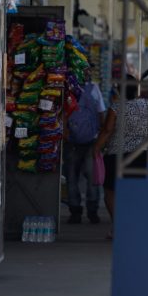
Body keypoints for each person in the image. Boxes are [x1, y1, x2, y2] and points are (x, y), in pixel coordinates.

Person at [91, 75, 148, 238]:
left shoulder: (116, 107)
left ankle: (118, 226)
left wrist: (96, 148)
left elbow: (108, 130)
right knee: (138, 192)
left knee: (111, 192)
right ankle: (136, 225)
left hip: (116, 156)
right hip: (142, 155)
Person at [65, 66, 107, 224]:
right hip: (92, 141)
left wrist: (66, 132)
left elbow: (62, 113)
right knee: (93, 179)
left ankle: (75, 211)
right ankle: (92, 211)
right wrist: (101, 136)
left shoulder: (68, 89)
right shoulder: (94, 88)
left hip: (72, 141)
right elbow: (101, 112)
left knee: (72, 178)